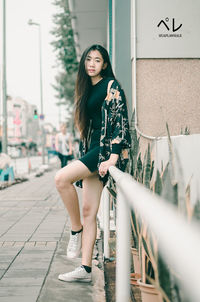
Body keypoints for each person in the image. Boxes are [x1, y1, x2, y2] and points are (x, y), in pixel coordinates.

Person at [55, 44, 131, 283]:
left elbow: (120, 118)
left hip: (104, 151)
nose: (92, 64)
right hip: (91, 150)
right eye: (89, 59)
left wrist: (113, 157)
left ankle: (75, 229)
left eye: (97, 60)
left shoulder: (110, 85)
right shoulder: (87, 88)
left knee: (61, 178)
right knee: (90, 212)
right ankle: (85, 269)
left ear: (105, 64)